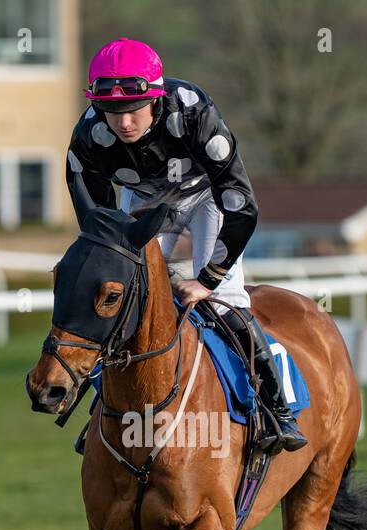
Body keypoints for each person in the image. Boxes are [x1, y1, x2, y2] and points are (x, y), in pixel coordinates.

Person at [65, 37, 306, 453]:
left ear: (156, 100)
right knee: (125, 301)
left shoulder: (193, 111)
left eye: (133, 110)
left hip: (206, 196)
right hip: (144, 200)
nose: (123, 124)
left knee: (223, 299)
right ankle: (99, 411)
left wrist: (207, 280)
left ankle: (275, 408)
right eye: (112, 111)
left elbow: (241, 206)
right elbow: (97, 220)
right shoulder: (89, 135)